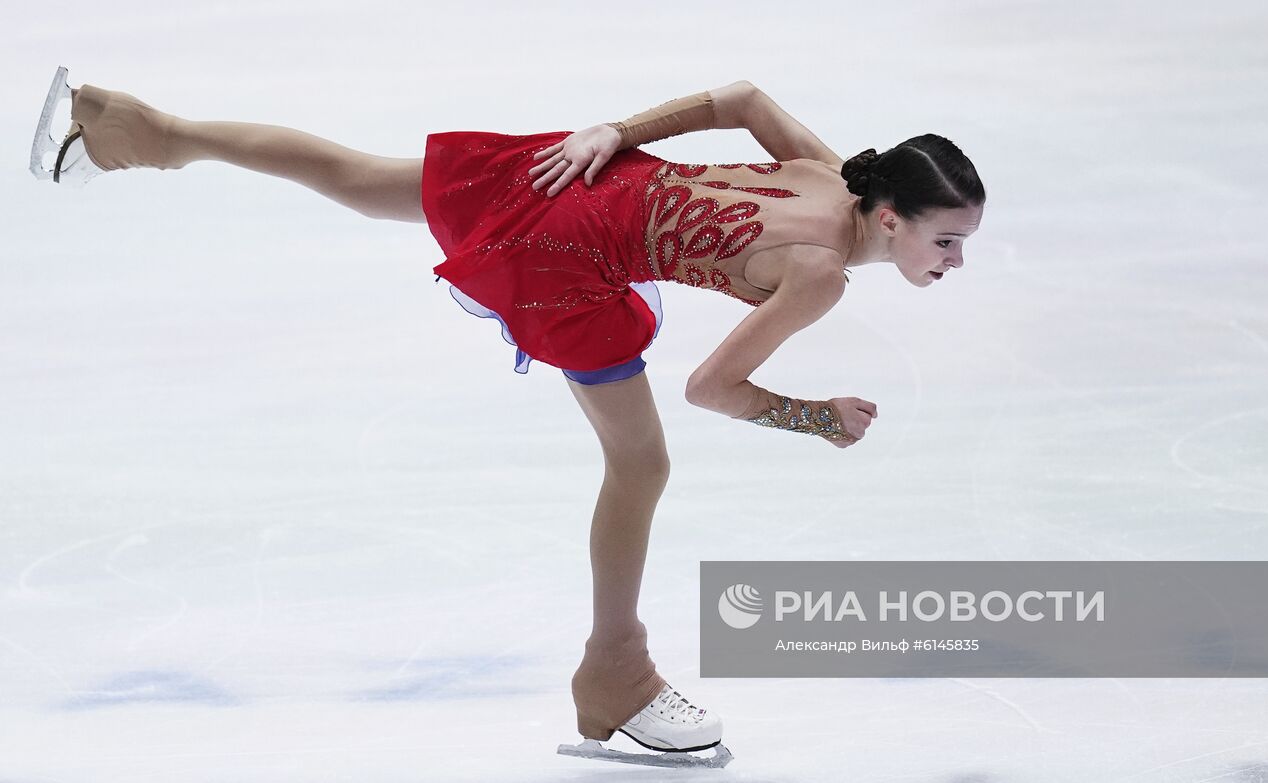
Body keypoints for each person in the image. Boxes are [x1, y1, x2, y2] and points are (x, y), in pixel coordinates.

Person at [32, 66, 985, 766]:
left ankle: (150, 133)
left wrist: (614, 129)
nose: (952, 261)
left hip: (576, 177)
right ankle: (616, 671)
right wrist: (817, 419)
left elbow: (737, 97)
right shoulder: (819, 274)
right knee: (641, 466)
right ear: (891, 218)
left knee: (366, 179)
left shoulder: (829, 171)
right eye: (945, 241)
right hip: (567, 258)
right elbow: (711, 389)